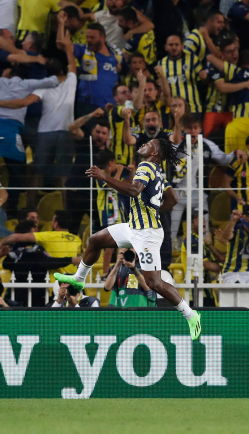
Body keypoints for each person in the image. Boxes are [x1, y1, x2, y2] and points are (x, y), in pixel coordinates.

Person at [53, 138, 202, 339]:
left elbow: (134, 191)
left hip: (146, 234)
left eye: (150, 143)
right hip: (134, 227)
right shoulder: (157, 171)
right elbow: (172, 199)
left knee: (154, 283)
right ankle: (78, 280)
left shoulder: (147, 166)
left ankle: (191, 315)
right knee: (95, 240)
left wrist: (104, 176)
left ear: (155, 152)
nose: (145, 143)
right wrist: (154, 211)